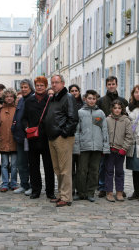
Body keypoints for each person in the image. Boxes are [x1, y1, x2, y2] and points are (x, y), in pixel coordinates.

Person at [43, 75, 79, 207]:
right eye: (52, 83)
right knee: (57, 168)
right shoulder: (53, 98)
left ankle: (66, 197)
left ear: (63, 83)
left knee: (65, 169)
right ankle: (60, 194)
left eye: (56, 82)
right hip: (52, 137)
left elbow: (73, 118)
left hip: (62, 137)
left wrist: (63, 133)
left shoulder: (68, 97)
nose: (54, 85)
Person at [22, 76, 55, 199]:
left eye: (42, 85)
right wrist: (26, 127)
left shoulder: (50, 99)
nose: (40, 87)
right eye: (38, 85)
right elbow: (24, 118)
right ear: (35, 87)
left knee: (49, 166)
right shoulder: (29, 101)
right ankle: (36, 190)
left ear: (46, 86)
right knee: (34, 166)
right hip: (33, 138)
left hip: (47, 138)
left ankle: (50, 191)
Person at [73, 90, 110, 202]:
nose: (92, 100)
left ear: (96, 100)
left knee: (94, 170)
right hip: (84, 146)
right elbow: (77, 131)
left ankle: (90, 192)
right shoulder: (80, 112)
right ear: (85, 99)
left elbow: (104, 131)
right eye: (89, 98)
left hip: (97, 147)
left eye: (94, 99)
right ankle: (81, 192)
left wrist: (105, 147)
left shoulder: (100, 113)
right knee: (82, 170)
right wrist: (76, 147)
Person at [96, 76, 129, 198]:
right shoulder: (101, 101)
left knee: (119, 168)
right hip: (105, 136)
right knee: (103, 165)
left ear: (116, 84)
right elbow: (97, 118)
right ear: (106, 85)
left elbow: (126, 118)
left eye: (113, 84)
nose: (111, 86)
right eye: (109, 84)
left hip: (119, 138)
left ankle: (119, 189)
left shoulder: (123, 101)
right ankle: (103, 187)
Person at [105, 100, 133, 202]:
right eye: (115, 108)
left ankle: (120, 192)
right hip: (109, 150)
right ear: (112, 109)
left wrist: (124, 148)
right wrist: (105, 148)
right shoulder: (107, 120)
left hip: (120, 151)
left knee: (119, 172)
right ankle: (109, 192)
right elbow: (104, 134)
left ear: (122, 109)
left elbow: (129, 136)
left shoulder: (126, 120)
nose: (117, 110)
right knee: (109, 171)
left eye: (119, 108)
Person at [11, 79, 34, 196]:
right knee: (21, 163)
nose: (23, 89)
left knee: (31, 163)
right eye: (22, 87)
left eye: (25, 87)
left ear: (30, 88)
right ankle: (24, 184)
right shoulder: (20, 101)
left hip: (30, 137)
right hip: (20, 137)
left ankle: (33, 186)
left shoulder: (33, 99)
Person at [0, 88, 17, 192]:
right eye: (7, 96)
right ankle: (4, 183)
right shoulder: (0, 110)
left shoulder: (17, 109)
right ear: (4, 98)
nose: (9, 98)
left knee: (14, 165)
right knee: (4, 164)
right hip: (3, 140)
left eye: (11, 96)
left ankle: (13, 183)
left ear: (14, 98)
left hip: (14, 140)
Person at [68, 84, 84, 196]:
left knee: (80, 167)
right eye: (72, 91)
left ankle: (79, 188)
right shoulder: (66, 103)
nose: (74, 92)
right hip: (69, 137)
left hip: (81, 139)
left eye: (76, 90)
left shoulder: (83, 105)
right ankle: (71, 188)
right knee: (70, 167)